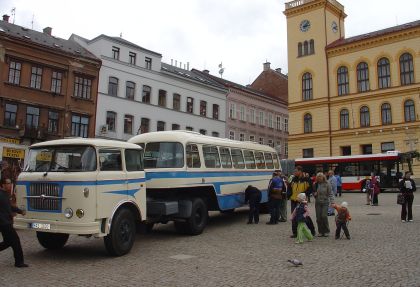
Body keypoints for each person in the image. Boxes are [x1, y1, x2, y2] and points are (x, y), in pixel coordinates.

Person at [0, 178, 28, 267]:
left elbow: (10, 207)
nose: (10, 185)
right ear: (2, 185)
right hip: (4, 223)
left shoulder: (5, 194)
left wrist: (20, 211)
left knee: (8, 242)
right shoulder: (1, 194)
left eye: (10, 183)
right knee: (16, 241)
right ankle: (19, 262)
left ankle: (19, 262)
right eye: (8, 183)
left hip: (6, 222)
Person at [289, 166, 310, 238]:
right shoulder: (293, 179)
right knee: (294, 216)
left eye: (296, 171)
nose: (294, 173)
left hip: (302, 201)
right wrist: (289, 195)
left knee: (304, 216)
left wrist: (304, 194)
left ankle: (311, 230)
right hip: (294, 200)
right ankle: (295, 233)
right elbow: (289, 187)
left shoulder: (306, 179)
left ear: (300, 171)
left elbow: (310, 189)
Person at [313, 172, 334, 237]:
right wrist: (314, 194)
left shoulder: (327, 184)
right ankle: (320, 231)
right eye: (318, 178)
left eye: (320, 177)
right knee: (318, 218)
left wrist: (332, 202)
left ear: (323, 177)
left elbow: (331, 193)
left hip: (325, 202)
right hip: (318, 202)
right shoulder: (315, 184)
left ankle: (326, 231)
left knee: (324, 216)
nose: (319, 179)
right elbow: (313, 192)